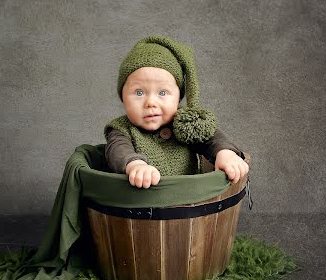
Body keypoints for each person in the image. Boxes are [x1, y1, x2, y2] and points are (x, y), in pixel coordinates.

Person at [104, 35, 249, 188]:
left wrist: (224, 152)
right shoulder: (121, 128)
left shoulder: (185, 122)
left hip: (189, 202)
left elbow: (211, 137)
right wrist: (135, 165)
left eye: (162, 93)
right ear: (122, 98)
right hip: (141, 204)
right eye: (139, 93)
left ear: (178, 97)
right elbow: (117, 150)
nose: (151, 103)